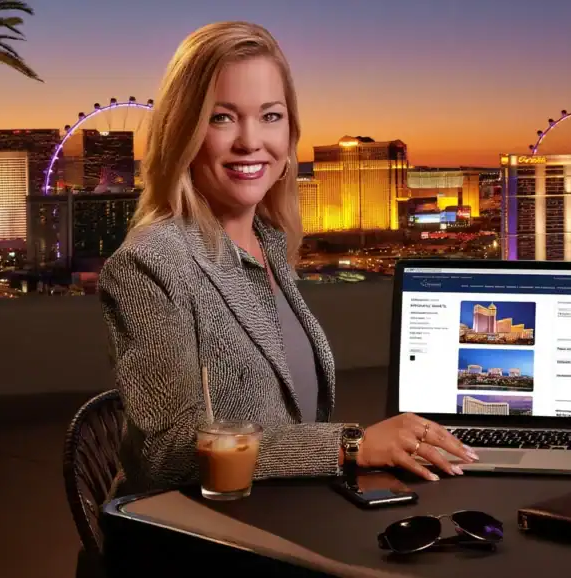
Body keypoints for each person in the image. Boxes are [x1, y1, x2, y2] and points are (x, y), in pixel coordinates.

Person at [99, 21, 476, 493]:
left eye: (270, 116)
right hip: (197, 541)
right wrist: (350, 446)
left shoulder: (268, 242)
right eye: (222, 117)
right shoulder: (151, 263)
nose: (250, 141)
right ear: (184, 132)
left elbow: (288, 417)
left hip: (288, 515)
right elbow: (168, 455)